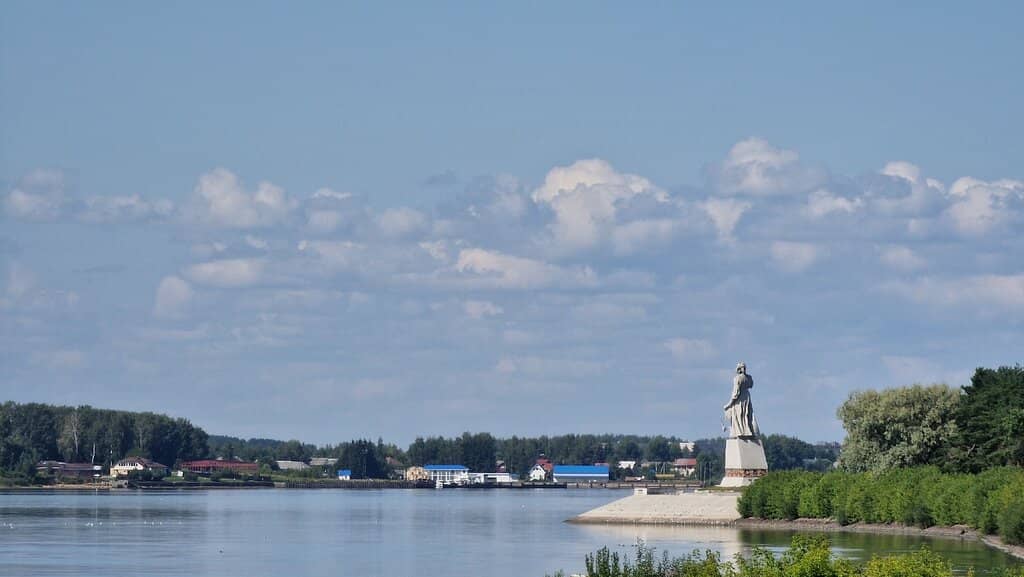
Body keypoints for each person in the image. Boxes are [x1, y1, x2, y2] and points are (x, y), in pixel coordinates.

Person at [724, 362, 760, 438]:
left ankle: (740, 432)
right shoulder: (749, 378)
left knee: (739, 416)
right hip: (746, 397)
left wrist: (728, 404)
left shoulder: (737, 378)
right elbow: (751, 385)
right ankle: (748, 431)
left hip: (739, 399)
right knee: (747, 415)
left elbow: (735, 394)